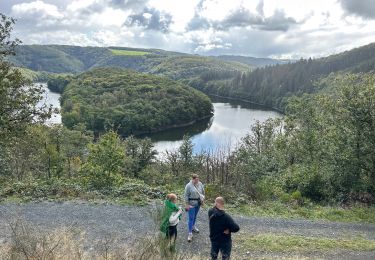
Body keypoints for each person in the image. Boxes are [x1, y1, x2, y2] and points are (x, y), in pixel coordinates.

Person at [184, 174, 205, 242]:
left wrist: (202, 201)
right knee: (191, 218)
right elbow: (186, 195)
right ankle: (190, 233)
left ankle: (193, 227)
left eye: (198, 179)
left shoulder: (200, 184)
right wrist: (187, 204)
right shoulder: (188, 185)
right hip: (191, 204)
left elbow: (203, 192)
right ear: (192, 179)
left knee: (195, 216)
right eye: (196, 179)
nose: (197, 181)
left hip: (198, 203)